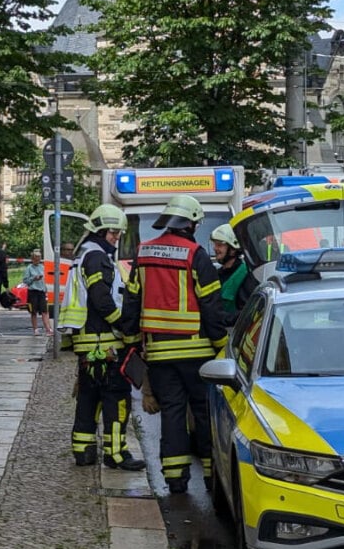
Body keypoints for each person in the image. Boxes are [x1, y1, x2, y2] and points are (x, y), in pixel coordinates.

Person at [121, 194, 227, 495]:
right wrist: (221, 343)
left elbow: (132, 301)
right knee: (203, 415)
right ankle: (210, 477)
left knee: (172, 413)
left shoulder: (144, 252)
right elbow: (211, 305)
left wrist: (131, 343)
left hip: (158, 352)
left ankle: (175, 478)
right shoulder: (196, 254)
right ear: (191, 224)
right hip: (197, 352)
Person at [60, 204, 146, 471]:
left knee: (89, 396)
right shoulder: (97, 257)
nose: (116, 239)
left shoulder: (84, 254)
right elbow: (102, 300)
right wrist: (124, 327)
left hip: (89, 344)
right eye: (113, 233)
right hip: (104, 343)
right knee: (116, 397)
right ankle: (116, 453)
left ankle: (84, 451)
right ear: (100, 230)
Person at [211, 223, 259, 326]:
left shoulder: (245, 276)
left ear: (233, 250)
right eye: (214, 244)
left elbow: (247, 313)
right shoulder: (217, 274)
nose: (215, 248)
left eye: (219, 245)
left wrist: (222, 319)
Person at [22, 250, 51, 336]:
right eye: (36, 258)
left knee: (44, 311)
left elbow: (45, 280)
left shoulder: (42, 267)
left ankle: (48, 329)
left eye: (39, 258)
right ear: (32, 259)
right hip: (33, 292)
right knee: (33, 312)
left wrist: (45, 289)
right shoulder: (29, 268)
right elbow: (25, 281)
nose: (38, 260)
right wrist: (34, 278)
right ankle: (35, 330)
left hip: (41, 292)